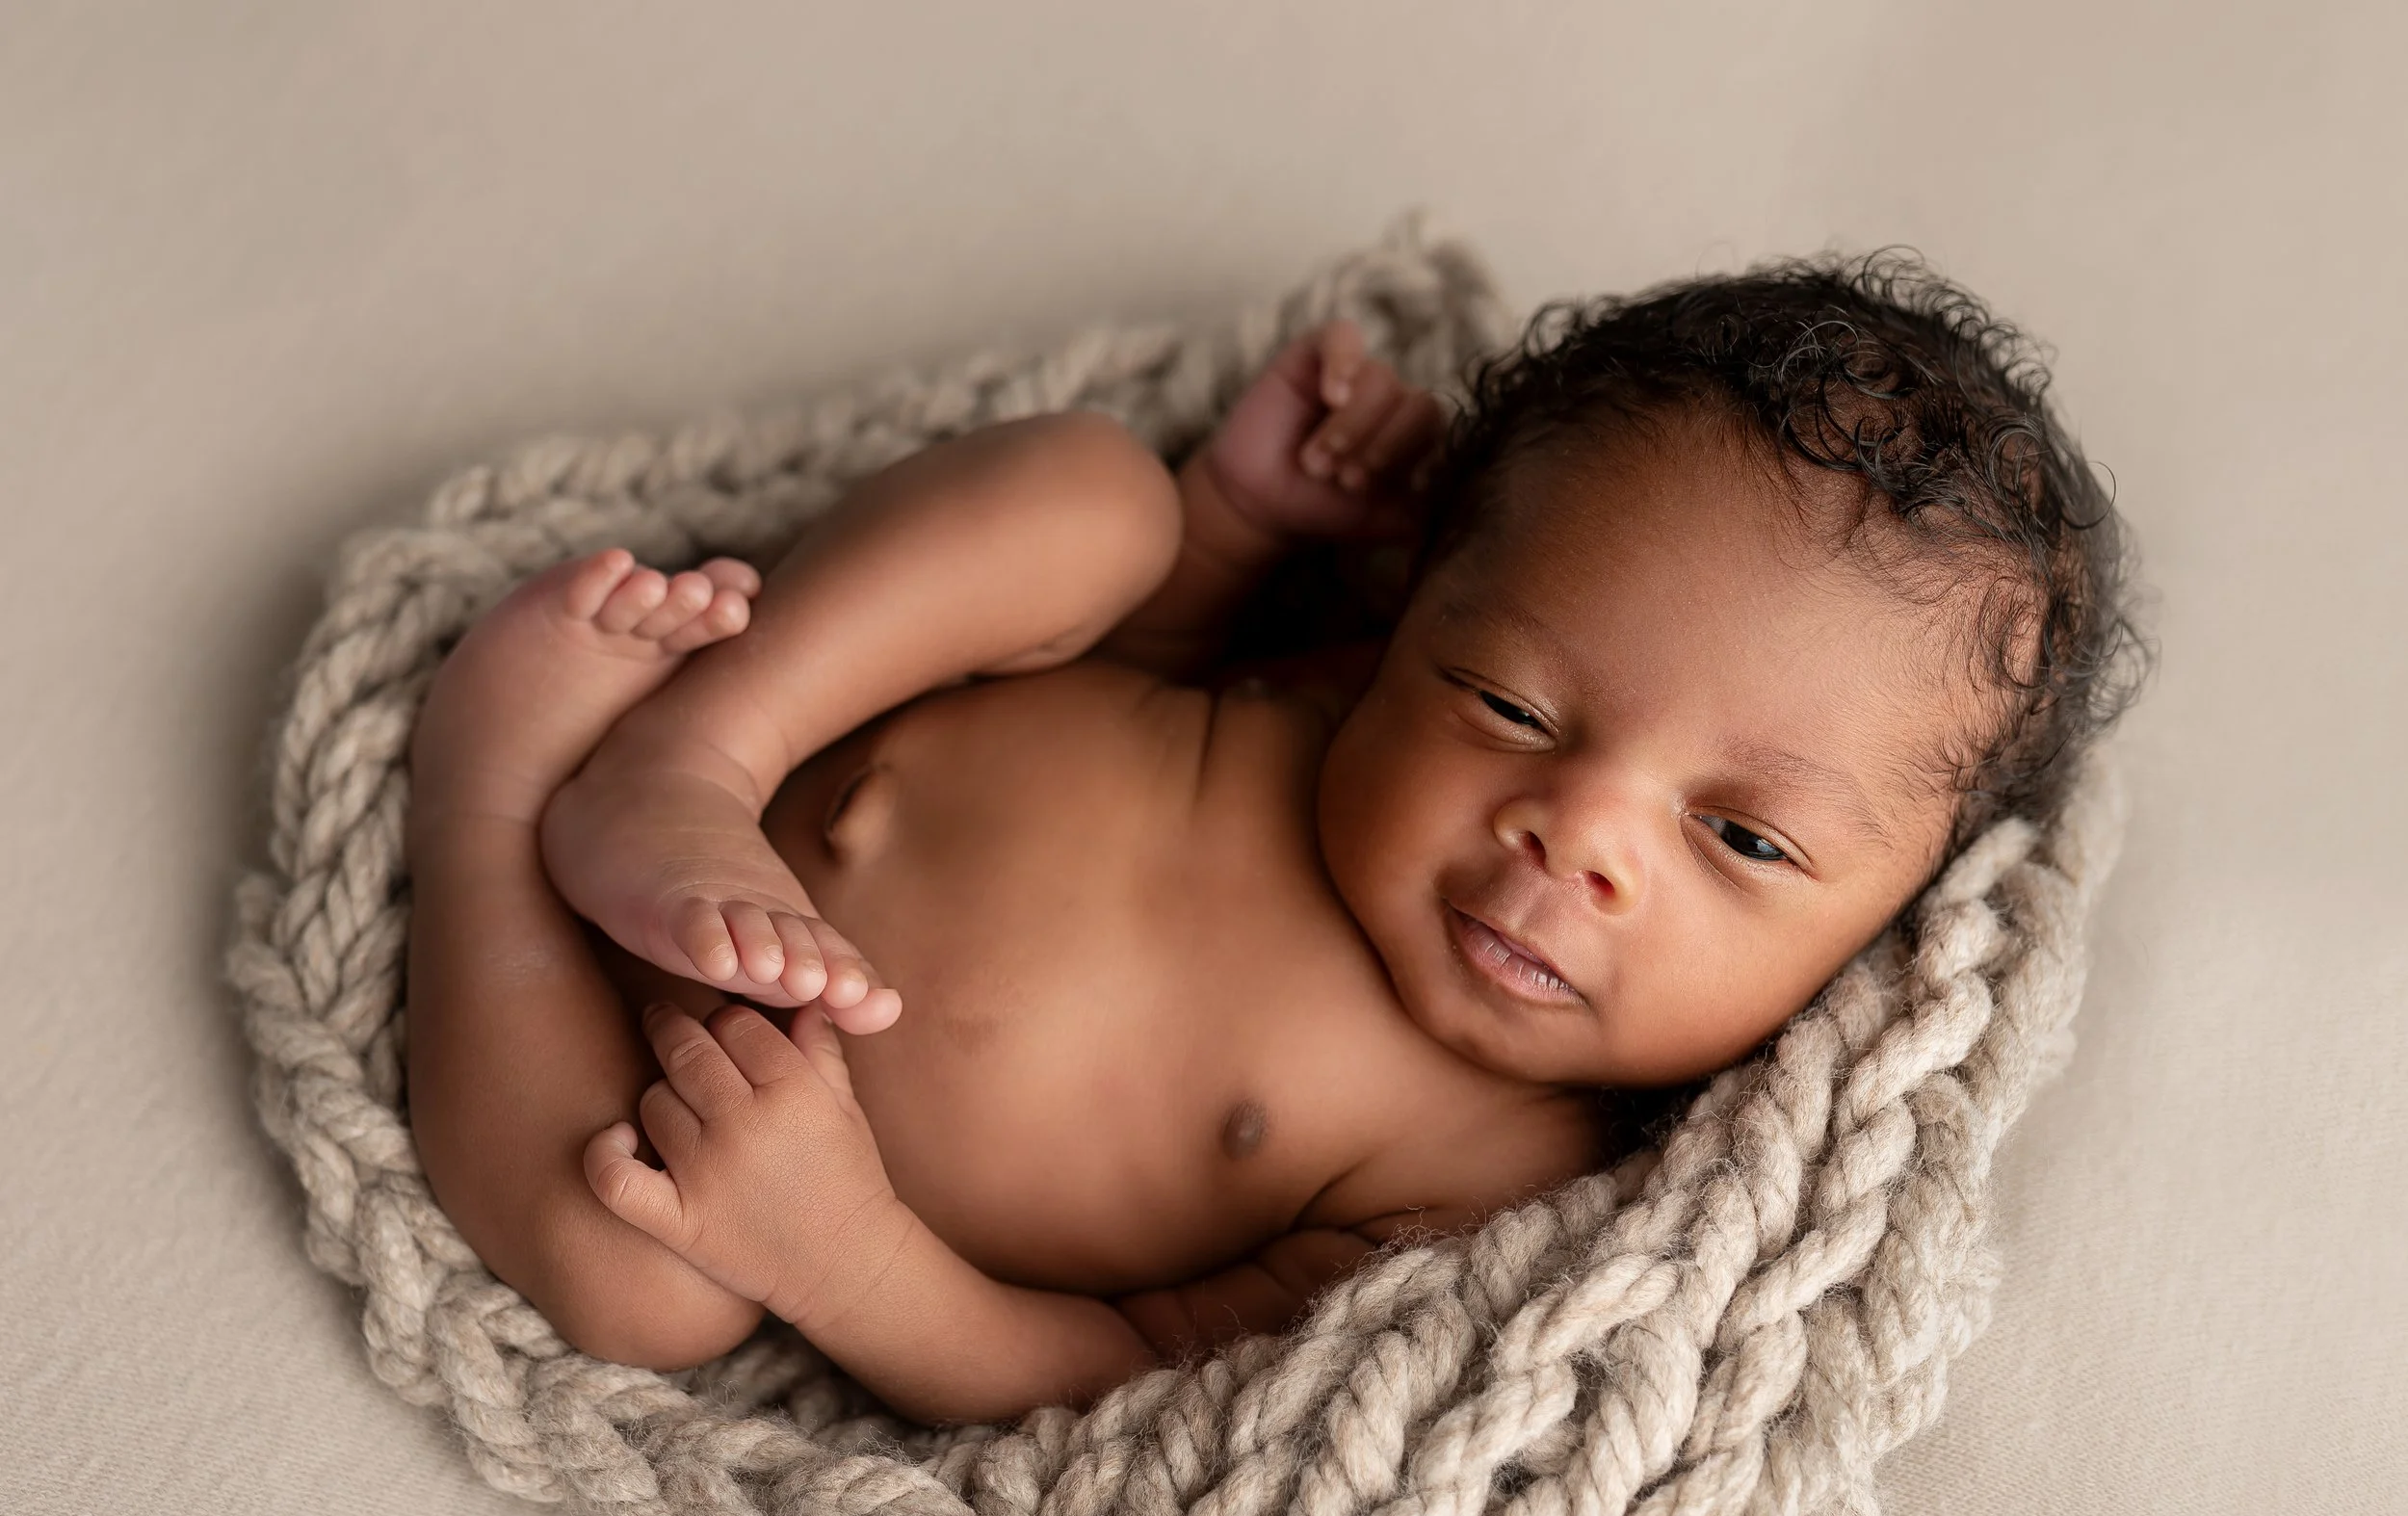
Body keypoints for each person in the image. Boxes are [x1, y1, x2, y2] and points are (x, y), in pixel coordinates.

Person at [403, 255, 2143, 1424]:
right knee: (1096, 500)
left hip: (694, 1110)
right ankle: (694, 748)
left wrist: (839, 1254)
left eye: (1746, 842)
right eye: (1512, 704)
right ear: (1410, 612)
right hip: (794, 746)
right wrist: (1232, 523)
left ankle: (491, 798)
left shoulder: (1486, 1176)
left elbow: (1118, 1376)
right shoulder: (1343, 707)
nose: (1576, 836)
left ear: (1882, 937)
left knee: (645, 1300)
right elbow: (1135, 672)